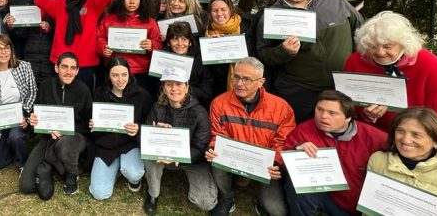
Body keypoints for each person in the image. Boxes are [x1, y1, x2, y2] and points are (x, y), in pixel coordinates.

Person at [256, 0, 362, 123]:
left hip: (341, 87)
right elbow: (264, 55)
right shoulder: (271, 16)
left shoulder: (335, 2)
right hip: (298, 90)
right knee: (297, 136)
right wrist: (284, 51)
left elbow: (361, 31)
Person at [344, 11, 437, 136]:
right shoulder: (355, 61)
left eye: (387, 46)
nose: (380, 52)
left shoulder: (430, 65)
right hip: (369, 134)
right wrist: (366, 115)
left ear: (404, 43)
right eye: (372, 46)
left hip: (418, 136)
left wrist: (434, 142)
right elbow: (346, 106)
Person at [206, 57, 295, 216]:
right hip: (232, 156)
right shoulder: (219, 103)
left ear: (261, 82)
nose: (239, 83)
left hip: (265, 164)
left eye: (247, 79)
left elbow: (283, 141)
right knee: (216, 160)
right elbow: (217, 134)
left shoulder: (281, 107)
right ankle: (226, 197)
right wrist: (213, 148)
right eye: (236, 77)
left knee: (277, 211)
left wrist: (277, 164)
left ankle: (261, 202)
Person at [283, 90, 386, 216]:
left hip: (356, 203)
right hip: (324, 194)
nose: (323, 116)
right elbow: (284, 157)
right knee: (297, 187)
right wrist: (296, 150)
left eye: (332, 113)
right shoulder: (303, 130)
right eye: (320, 110)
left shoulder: (374, 137)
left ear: (348, 117)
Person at [141, 66, 216, 214]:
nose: (174, 89)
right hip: (161, 157)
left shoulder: (200, 113)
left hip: (191, 160)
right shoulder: (157, 108)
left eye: (179, 84)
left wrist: (180, 158)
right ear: (163, 88)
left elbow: (201, 148)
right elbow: (144, 138)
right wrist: (155, 132)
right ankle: (153, 194)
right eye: (169, 84)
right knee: (151, 158)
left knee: (206, 203)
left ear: (187, 87)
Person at [20, 52, 92, 199]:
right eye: (64, 67)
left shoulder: (83, 89)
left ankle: (72, 174)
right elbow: (37, 113)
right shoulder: (46, 86)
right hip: (49, 137)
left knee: (64, 146)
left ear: (78, 70)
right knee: (26, 186)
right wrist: (33, 120)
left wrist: (66, 131)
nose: (68, 71)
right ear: (56, 68)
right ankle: (53, 168)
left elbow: (88, 122)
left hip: (75, 137)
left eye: (73, 68)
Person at [35, 0, 113, 89]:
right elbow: (39, 0)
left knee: (83, 102)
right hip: (62, 62)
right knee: (61, 101)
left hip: (85, 63)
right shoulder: (60, 3)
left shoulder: (93, 3)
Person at [89, 56, 153, 201]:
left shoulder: (141, 94)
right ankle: (117, 169)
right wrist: (92, 125)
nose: (120, 79)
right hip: (106, 148)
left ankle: (131, 175)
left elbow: (150, 122)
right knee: (99, 193)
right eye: (115, 75)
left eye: (124, 74)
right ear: (108, 76)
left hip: (130, 145)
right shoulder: (99, 94)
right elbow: (91, 120)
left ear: (129, 74)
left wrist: (139, 129)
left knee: (135, 173)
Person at [0, 34, 36, 169]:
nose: (3, 52)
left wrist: (24, 114)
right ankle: (8, 144)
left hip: (19, 115)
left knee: (16, 137)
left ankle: (21, 162)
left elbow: (32, 92)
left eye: (6, 48)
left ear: (11, 50)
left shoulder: (24, 66)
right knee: (0, 162)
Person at [97, 0, 162, 93]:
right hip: (114, 70)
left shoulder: (149, 21)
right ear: (121, 0)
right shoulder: (109, 19)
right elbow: (99, 37)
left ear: (141, 1)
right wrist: (103, 48)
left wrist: (152, 45)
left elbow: (159, 44)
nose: (132, 2)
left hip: (140, 72)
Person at [204, 0, 255, 95]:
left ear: (230, 10)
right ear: (210, 13)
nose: (219, 14)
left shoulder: (247, 25)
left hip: (248, 82)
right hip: (221, 88)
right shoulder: (207, 34)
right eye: (215, 10)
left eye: (223, 9)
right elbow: (211, 72)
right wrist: (215, 49)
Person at [163, 22, 215, 105]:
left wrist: (183, 89)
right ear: (169, 43)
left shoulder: (200, 60)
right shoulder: (161, 60)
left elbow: (207, 94)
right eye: (175, 39)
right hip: (167, 104)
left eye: (184, 39)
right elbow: (157, 91)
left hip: (195, 105)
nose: (180, 44)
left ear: (190, 42)